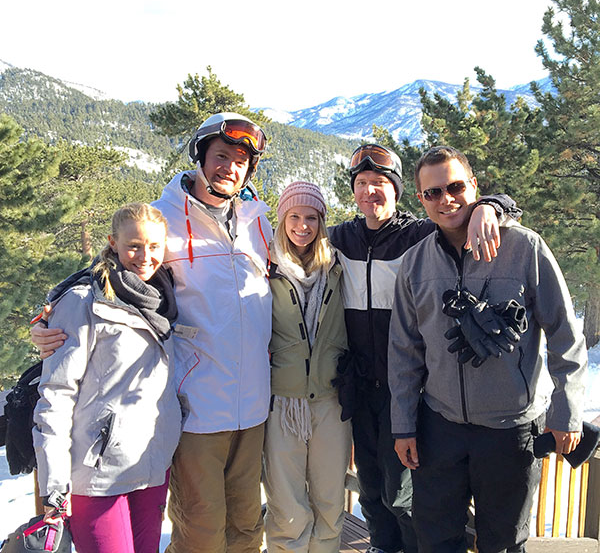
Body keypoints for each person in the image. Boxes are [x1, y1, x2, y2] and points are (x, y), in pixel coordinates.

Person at [31, 112, 273, 553]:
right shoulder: (163, 221)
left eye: (241, 161)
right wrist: (48, 319)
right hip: (196, 405)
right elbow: (106, 277)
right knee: (200, 531)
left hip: (255, 406)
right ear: (200, 156)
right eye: (221, 156)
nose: (230, 168)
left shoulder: (259, 221)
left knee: (246, 525)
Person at [388, 145, 587, 553]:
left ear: (474, 187)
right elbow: (404, 352)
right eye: (433, 193)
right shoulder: (414, 264)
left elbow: (566, 336)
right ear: (421, 200)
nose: (446, 199)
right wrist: (404, 424)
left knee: (502, 544)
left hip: (510, 432)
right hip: (438, 428)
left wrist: (566, 411)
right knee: (436, 541)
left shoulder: (525, 248)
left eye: (456, 186)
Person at [328, 144, 521, 553]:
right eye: (361, 184)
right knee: (372, 485)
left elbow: (457, 213)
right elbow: (296, 235)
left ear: (398, 191)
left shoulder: (418, 235)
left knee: (407, 493)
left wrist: (491, 205)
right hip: (362, 387)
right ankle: (382, 545)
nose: (369, 192)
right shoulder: (341, 239)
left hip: (411, 390)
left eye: (379, 183)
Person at [33, 202, 181, 553]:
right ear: (113, 243)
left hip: (151, 464)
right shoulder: (84, 300)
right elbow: (55, 395)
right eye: (134, 246)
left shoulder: (164, 300)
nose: (145, 256)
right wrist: (54, 486)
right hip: (97, 474)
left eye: (155, 246)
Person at [264, 181, 351, 553]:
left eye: (311, 217)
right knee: (287, 508)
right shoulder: (264, 268)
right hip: (282, 402)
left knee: (330, 503)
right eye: (294, 216)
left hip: (330, 402)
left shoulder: (339, 266)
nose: (303, 225)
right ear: (282, 219)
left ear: (322, 222)